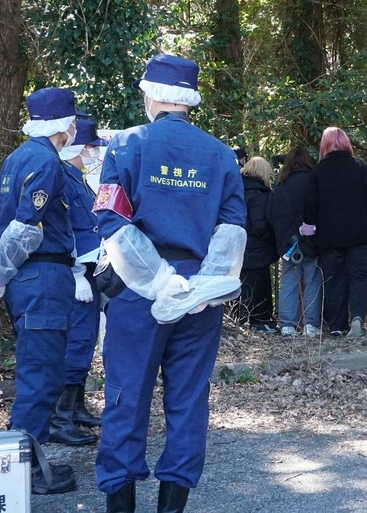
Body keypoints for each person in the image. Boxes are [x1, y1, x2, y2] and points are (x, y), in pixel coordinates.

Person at [93, 53, 246, 512]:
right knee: (188, 399)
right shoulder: (220, 154)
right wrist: (201, 285)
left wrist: (159, 282)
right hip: (200, 295)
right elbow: (233, 229)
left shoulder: (126, 145)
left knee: (125, 395)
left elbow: (111, 220)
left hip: (138, 291)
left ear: (152, 95)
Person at [0, 87, 81, 494]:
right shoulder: (46, 161)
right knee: (42, 375)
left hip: (28, 280)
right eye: (73, 119)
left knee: (37, 369)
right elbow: (25, 225)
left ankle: (27, 463)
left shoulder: (15, 158)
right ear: (65, 124)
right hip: (42, 277)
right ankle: (22, 472)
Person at [50, 118, 108, 447]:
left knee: (85, 341)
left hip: (91, 270)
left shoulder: (79, 178)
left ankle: (76, 408)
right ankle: (60, 418)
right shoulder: (62, 177)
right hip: (76, 274)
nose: (94, 153)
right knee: (75, 341)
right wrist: (73, 272)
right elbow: (63, 229)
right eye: (90, 147)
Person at [301, 126, 367, 338]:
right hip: (360, 235)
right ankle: (357, 317)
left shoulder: (318, 172)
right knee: (358, 276)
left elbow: (310, 206)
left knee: (334, 280)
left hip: (329, 238)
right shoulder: (359, 167)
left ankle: (337, 325)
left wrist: (309, 232)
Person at [269, 145, 323, 337]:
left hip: (288, 244)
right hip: (311, 241)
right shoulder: (313, 182)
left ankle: (287, 325)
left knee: (289, 282)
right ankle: (310, 325)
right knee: (313, 280)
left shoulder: (280, 187)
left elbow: (271, 216)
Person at [238, 156, 278, 333]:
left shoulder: (236, 190)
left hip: (238, 246)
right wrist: (272, 238)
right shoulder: (260, 194)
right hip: (257, 249)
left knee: (242, 287)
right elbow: (260, 224)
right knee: (259, 286)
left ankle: (242, 319)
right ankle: (259, 321)